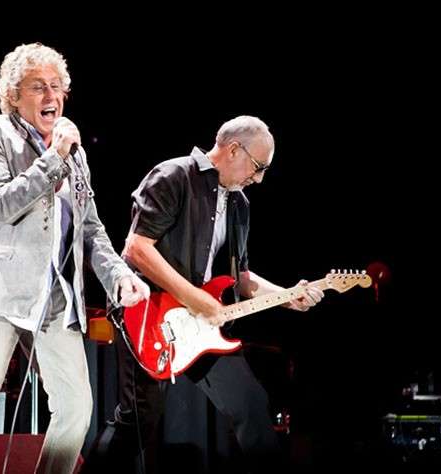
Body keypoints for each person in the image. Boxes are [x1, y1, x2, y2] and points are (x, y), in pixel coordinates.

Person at [0, 42, 149, 474]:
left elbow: (90, 227)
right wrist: (53, 157)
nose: (51, 96)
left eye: (57, 86)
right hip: (1, 293)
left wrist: (118, 275)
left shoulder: (74, 152)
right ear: (13, 95)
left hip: (57, 298)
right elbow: (2, 204)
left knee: (76, 408)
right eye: (38, 86)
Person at [86, 116, 325, 473]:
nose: (259, 179)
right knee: (138, 419)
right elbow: (137, 248)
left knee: (250, 403)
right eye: (258, 167)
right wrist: (195, 299)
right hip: (147, 314)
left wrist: (287, 295)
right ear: (233, 150)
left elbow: (239, 276)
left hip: (200, 325)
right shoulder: (173, 175)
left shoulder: (239, 204)